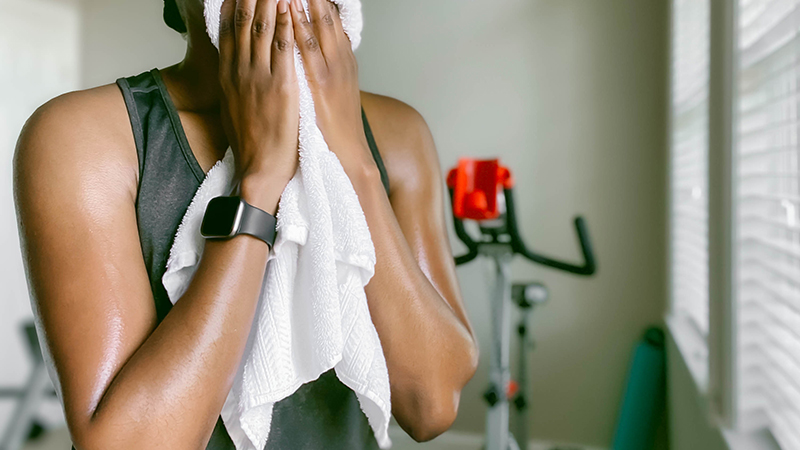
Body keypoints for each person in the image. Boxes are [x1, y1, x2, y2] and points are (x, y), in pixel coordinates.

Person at [12, 0, 479, 448]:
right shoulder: (84, 139)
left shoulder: (398, 134)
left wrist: (351, 156)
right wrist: (259, 180)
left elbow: (432, 405)